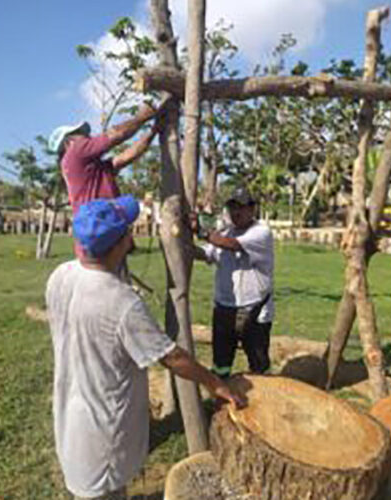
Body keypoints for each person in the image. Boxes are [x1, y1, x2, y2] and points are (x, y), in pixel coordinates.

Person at [45, 195, 242, 500]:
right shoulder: (121, 302)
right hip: (103, 434)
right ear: (122, 242)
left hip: (72, 417)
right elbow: (172, 358)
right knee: (104, 492)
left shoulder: (61, 276)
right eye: (127, 229)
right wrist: (216, 384)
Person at [48, 101, 167, 256]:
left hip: (103, 232)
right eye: (81, 135)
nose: (88, 137)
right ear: (68, 142)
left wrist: (153, 130)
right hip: (98, 230)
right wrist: (142, 117)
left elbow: (125, 157)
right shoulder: (75, 152)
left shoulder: (91, 169)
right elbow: (116, 134)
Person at [193, 186, 274, 379]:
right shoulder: (226, 232)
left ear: (252, 209)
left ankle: (263, 404)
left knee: (259, 366)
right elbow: (206, 253)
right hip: (224, 309)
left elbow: (233, 245)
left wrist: (202, 232)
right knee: (221, 367)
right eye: (232, 207)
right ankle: (222, 403)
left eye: (242, 207)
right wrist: (184, 245)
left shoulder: (261, 232)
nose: (236, 212)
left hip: (254, 311)